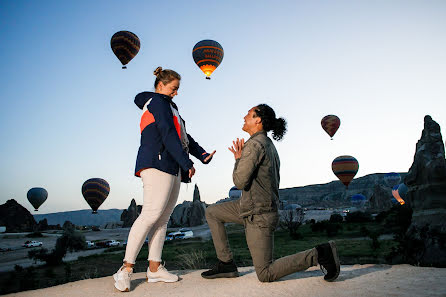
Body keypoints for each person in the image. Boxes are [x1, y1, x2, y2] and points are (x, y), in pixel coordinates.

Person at [201, 104, 340, 282]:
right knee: (212, 212)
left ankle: (319, 254)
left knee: (265, 273)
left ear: (258, 120)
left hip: (259, 215)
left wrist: (237, 160)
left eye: (248, 114)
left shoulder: (254, 145)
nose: (244, 117)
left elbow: (240, 182)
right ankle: (226, 263)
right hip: (250, 207)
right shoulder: (267, 143)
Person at [114, 67, 216, 292]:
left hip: (171, 165)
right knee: (150, 214)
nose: (176, 93)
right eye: (174, 88)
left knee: (162, 219)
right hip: (156, 163)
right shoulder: (156, 102)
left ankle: (154, 268)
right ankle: (125, 270)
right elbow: (168, 134)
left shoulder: (171, 106)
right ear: (161, 86)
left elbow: (183, 137)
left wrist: (202, 155)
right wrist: (187, 163)